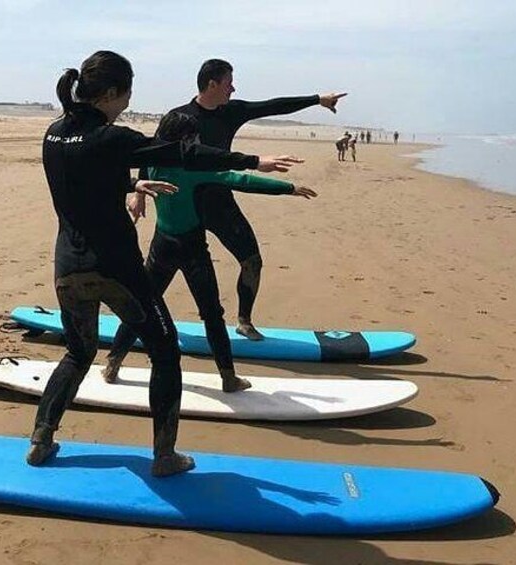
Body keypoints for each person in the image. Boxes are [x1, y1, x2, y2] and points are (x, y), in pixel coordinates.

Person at [28, 51, 300, 477]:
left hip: (67, 268)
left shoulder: (54, 134)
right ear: (113, 93)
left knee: (78, 353)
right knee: (165, 352)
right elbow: (184, 155)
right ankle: (165, 456)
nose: (129, 103)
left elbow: (85, 181)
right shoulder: (113, 138)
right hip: (116, 269)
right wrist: (248, 160)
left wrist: (132, 182)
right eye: (128, 93)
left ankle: (41, 438)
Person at [133, 59, 345, 341]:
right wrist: (139, 193)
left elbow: (272, 105)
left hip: (219, 199)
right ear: (212, 84)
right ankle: (139, 324)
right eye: (228, 82)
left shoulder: (231, 112)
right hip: (184, 203)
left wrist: (318, 99)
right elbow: (154, 154)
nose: (233, 88)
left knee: (252, 260)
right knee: (162, 272)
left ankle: (244, 320)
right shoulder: (180, 118)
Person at [104, 112, 316, 391]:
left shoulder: (152, 162)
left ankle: (113, 363)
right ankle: (228, 377)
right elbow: (239, 180)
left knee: (142, 306)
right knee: (212, 315)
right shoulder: (192, 169)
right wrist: (288, 188)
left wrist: (137, 193)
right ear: (186, 139)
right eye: (195, 136)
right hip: (191, 249)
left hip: (162, 246)